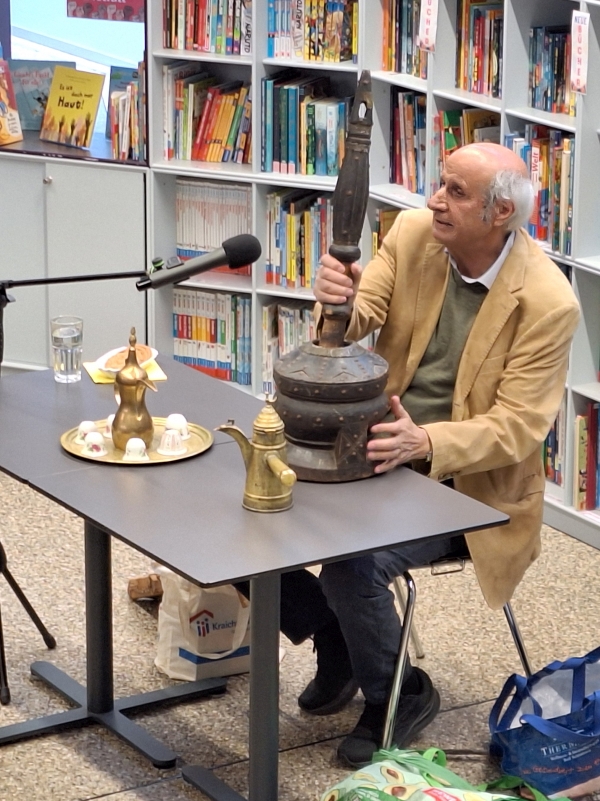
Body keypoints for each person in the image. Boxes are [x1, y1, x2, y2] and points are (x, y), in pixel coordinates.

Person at [240, 142, 580, 768]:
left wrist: (426, 442)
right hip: (371, 446)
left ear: (500, 211)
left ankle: (398, 691)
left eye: (454, 190)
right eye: (439, 183)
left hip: (466, 486)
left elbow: (520, 428)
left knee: (353, 567)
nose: (433, 200)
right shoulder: (416, 234)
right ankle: (336, 639)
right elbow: (356, 320)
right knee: (243, 510)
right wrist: (334, 299)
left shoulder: (548, 301)